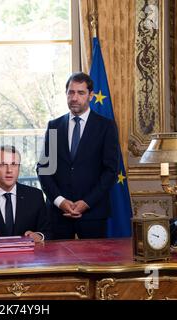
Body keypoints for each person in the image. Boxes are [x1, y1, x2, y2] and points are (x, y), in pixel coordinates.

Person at [37, 72, 119, 240]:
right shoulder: (54, 126)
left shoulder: (106, 126)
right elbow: (44, 169)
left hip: (93, 213)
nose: (74, 98)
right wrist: (60, 201)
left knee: (94, 264)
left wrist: (86, 203)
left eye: (80, 93)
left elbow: (110, 171)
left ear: (91, 95)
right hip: (58, 215)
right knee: (59, 266)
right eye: (71, 92)